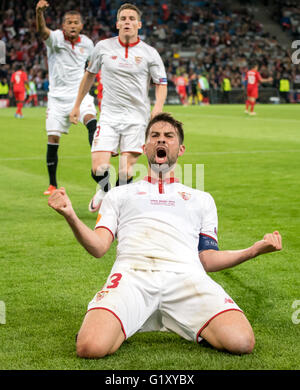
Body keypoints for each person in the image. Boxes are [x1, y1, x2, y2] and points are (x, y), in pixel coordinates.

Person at [48, 112, 282, 359]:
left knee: (241, 341)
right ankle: (124, 320)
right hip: (132, 277)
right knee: (90, 348)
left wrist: (254, 250)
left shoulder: (201, 200)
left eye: (169, 136)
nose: (161, 140)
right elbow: (98, 247)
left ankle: (172, 321)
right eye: (155, 136)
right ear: (144, 146)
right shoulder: (119, 195)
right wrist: (70, 215)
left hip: (186, 278)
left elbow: (209, 260)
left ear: (180, 149)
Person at [69, 3, 167, 213]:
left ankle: (116, 212)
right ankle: (104, 190)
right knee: (99, 167)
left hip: (137, 118)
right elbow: (89, 76)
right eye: (123, 19)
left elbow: (161, 83)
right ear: (117, 24)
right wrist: (77, 105)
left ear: (139, 24)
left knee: (125, 170)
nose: (127, 22)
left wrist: (157, 108)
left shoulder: (150, 53)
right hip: (109, 117)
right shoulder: (103, 47)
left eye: (131, 19)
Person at [36, 0, 97, 196]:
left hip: (80, 94)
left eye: (75, 22)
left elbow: (93, 68)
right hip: (57, 99)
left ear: (82, 25)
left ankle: (98, 163)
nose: (72, 25)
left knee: (91, 121)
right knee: (53, 138)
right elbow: (42, 31)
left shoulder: (88, 44)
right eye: (68, 22)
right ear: (63, 25)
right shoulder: (54, 38)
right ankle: (52, 184)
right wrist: (39, 13)